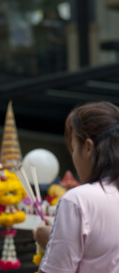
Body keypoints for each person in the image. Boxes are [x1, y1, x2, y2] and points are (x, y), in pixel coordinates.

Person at [32, 101, 119, 272]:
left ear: (87, 148)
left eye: (73, 148)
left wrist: (50, 245)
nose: (73, 156)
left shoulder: (78, 200)